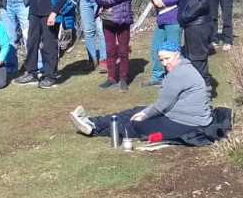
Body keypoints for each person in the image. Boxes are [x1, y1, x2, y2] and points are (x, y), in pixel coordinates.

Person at [69, 43, 213, 142]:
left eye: (167, 58)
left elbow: (161, 105)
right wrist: (143, 112)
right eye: (161, 60)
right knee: (135, 110)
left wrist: (144, 114)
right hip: (178, 114)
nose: (164, 63)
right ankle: (93, 121)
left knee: (137, 124)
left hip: (187, 123)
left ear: (177, 55)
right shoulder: (183, 67)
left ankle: (93, 130)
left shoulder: (179, 74)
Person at [15, 0, 70, 89]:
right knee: (31, 43)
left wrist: (54, 12)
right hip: (34, 13)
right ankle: (31, 72)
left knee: (49, 45)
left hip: (49, 14)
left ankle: (50, 75)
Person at [94, 0, 135, 91]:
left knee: (123, 50)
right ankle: (111, 78)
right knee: (110, 50)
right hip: (107, 19)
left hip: (122, 18)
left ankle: (123, 78)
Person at [145, 0, 183, 87]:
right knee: (157, 47)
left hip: (173, 18)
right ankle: (157, 75)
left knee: (173, 49)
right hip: (161, 18)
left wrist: (164, 2)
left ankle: (173, 77)